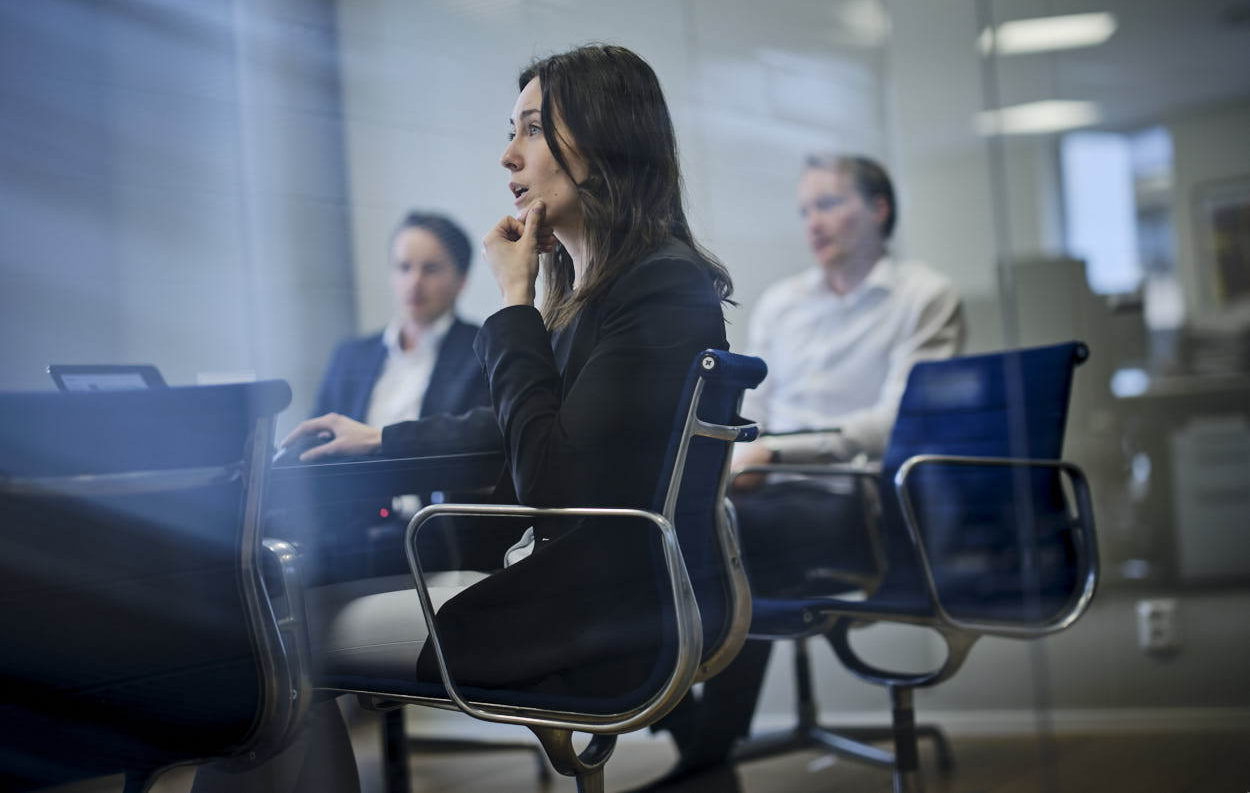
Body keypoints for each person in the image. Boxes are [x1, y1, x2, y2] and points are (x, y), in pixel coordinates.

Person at [194, 44, 734, 793]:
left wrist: (514, 302)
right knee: (275, 625)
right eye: (512, 132)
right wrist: (380, 438)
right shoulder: (613, 291)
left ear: (604, 142)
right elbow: (514, 430)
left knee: (270, 641)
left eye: (533, 129)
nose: (509, 156)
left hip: (590, 616)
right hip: (582, 594)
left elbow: (546, 472)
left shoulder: (657, 288)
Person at [648, 154, 965, 786]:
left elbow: (900, 421)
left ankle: (706, 755)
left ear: (878, 209)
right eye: (804, 210)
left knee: (730, 538)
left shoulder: (925, 296)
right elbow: (755, 414)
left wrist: (777, 454)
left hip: (865, 500)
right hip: (770, 494)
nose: (812, 222)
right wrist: (735, 459)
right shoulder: (783, 303)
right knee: (657, 530)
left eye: (828, 204)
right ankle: (695, 740)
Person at [310, 211, 489, 428]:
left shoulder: (483, 355)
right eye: (404, 267)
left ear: (461, 280)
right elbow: (315, 438)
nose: (414, 282)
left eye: (430, 269)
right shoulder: (349, 357)